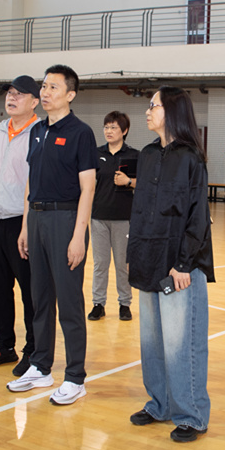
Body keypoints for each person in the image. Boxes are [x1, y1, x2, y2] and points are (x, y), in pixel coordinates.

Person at [126, 86, 215, 443]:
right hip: (148, 260)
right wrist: (133, 256)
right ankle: (159, 404)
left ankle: (191, 414)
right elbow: (140, 211)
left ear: (173, 111)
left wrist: (183, 264)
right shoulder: (147, 155)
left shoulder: (191, 158)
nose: (147, 111)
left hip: (179, 267)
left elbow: (198, 217)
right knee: (152, 342)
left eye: (154, 106)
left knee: (182, 344)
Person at [7, 65, 98, 406]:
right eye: (43, 87)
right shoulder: (37, 131)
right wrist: (25, 225)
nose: (45, 93)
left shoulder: (80, 133)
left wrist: (78, 236)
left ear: (70, 95)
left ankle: (75, 377)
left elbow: (88, 188)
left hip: (65, 219)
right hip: (37, 219)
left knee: (69, 302)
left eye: (53, 87)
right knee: (40, 298)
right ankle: (41, 367)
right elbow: (31, 182)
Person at [0, 75, 41, 376]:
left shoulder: (39, 133)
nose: (12, 98)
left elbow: (34, 185)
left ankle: (33, 351)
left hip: (21, 223)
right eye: (10, 93)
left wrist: (27, 227)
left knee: (30, 292)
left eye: (19, 94)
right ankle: (4, 346)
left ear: (35, 101)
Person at [87, 111, 139, 322]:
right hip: (99, 217)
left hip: (124, 218)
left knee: (122, 265)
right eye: (106, 127)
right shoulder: (95, 153)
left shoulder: (134, 155)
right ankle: (98, 304)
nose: (108, 131)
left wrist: (129, 181)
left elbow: (145, 184)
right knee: (100, 264)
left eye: (114, 127)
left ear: (124, 131)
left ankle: (124, 304)